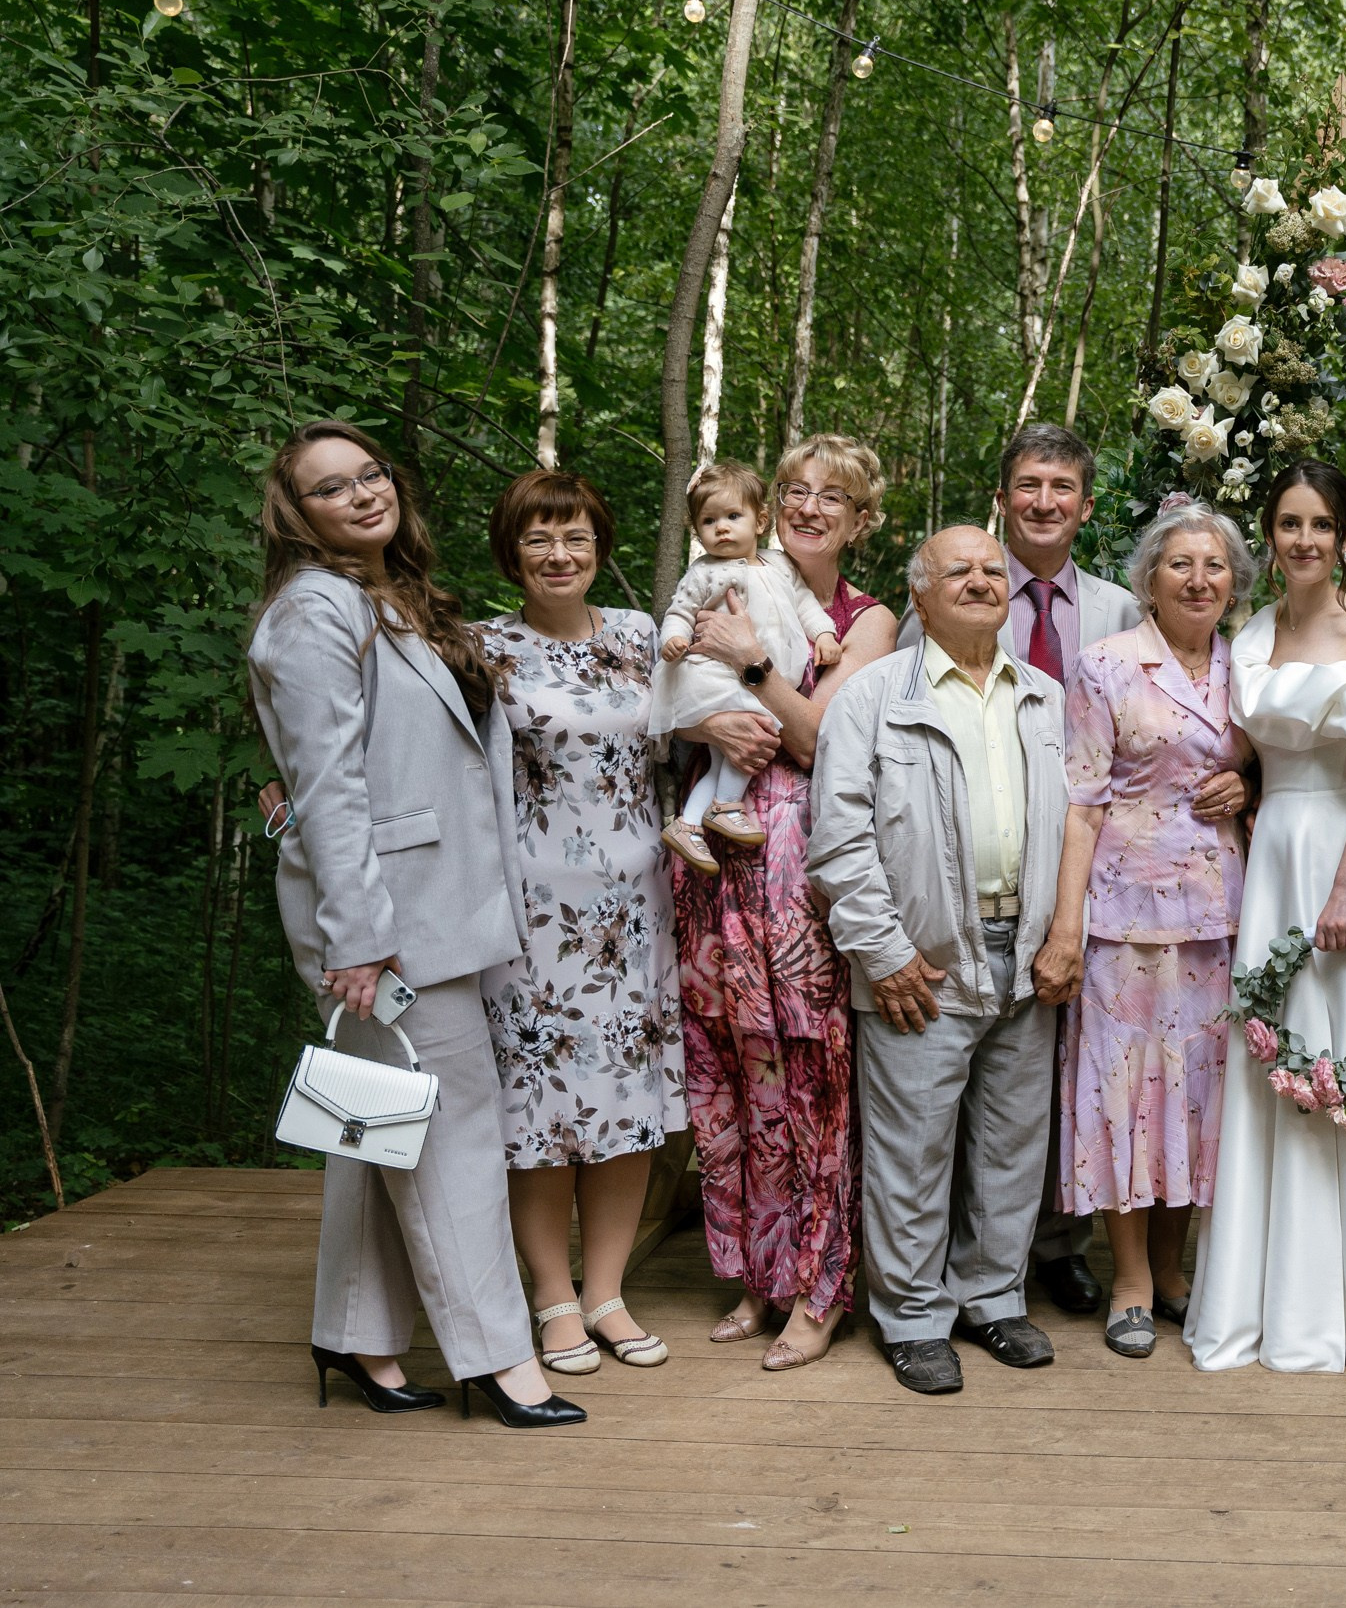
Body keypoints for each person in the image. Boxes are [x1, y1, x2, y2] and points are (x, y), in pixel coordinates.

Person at [246, 419, 583, 1429]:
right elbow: (330, 786)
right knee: (452, 1128)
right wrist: (358, 934)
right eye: (329, 488)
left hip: (423, 905)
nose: (360, 494)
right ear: (297, 517)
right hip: (389, 921)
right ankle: (497, 1358)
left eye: (372, 473)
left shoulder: (378, 598)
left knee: (375, 1121)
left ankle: (355, 1330)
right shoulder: (313, 611)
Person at [1188, 461, 1346, 1378]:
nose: (1304, 540)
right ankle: (1278, 1303)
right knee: (1277, 1060)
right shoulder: (1249, 631)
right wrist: (1246, 783)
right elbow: (1252, 748)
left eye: (1321, 525)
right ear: (1271, 532)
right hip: (1273, 864)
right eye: (1289, 523)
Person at [808, 526, 1070, 1396]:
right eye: (957, 570)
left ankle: (993, 1298)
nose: (980, 580)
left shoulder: (1043, 696)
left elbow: (1075, 825)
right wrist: (882, 953)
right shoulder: (873, 696)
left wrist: (1056, 936)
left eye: (993, 570)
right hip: (919, 957)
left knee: (1011, 1142)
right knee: (912, 1149)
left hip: (1023, 952)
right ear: (918, 596)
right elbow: (838, 839)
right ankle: (914, 1316)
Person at [901, 422, 1142, 1317]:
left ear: (1085, 504)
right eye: (1029, 486)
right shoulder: (949, 589)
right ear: (1002, 497)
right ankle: (954, 1265)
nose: (1045, 503)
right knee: (968, 1074)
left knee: (1067, 1064)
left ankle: (1057, 1242)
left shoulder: (1121, 608)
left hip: (1092, 874)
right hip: (969, 878)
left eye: (1063, 488)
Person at [669, 431, 896, 1372]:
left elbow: (819, 743)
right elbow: (672, 685)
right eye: (795, 490)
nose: (807, 507)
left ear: (860, 518)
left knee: (809, 1073)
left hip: (802, 863)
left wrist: (753, 666)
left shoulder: (869, 619)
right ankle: (755, 1275)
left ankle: (821, 1283)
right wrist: (706, 711)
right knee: (733, 1068)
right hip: (713, 854)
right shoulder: (719, 572)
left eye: (830, 497)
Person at [1032, 504, 1256, 1358]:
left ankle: (1173, 1269)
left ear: (1235, 581)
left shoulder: (1252, 663)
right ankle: (1126, 1274)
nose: (1199, 579)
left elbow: (1275, 756)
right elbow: (1081, 803)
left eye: (1216, 565)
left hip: (1222, 916)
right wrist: (1064, 927)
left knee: (1199, 1095)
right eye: (1180, 565)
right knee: (1125, 1093)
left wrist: (1251, 781)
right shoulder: (1106, 664)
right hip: (1126, 919)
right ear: (1148, 580)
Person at [475, 469, 686, 1376]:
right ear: (512, 554)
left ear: (601, 548)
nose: (559, 555)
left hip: (639, 911)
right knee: (544, 1110)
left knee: (627, 1106)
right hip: (531, 917)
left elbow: (708, 715)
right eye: (538, 540)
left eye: (576, 538)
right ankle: (552, 1297)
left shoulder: (643, 636)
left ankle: (607, 1293)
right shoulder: (481, 648)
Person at [652, 461, 845, 871]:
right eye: (709, 521)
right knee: (756, 728)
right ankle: (724, 805)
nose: (721, 528)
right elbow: (681, 611)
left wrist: (825, 634)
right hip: (716, 678)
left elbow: (805, 604)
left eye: (733, 517)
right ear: (696, 530)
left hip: (750, 677)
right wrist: (674, 637)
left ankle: (689, 822)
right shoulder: (705, 572)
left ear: (759, 522)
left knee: (728, 754)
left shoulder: (779, 565)